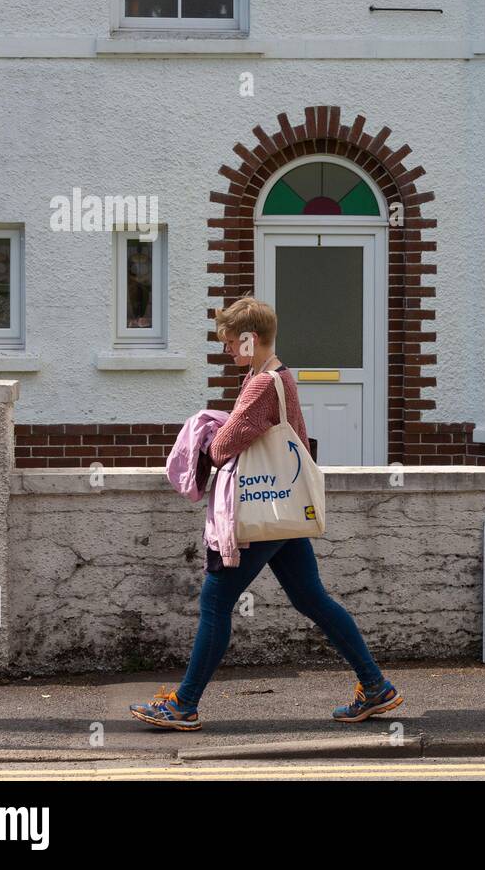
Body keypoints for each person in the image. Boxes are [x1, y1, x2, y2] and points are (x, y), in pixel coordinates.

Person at [130, 297, 402, 730]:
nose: (225, 351)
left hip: (262, 507)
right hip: (281, 505)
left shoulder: (260, 386)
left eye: (228, 343)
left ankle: (184, 705)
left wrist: (209, 428)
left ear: (249, 340)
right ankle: (375, 686)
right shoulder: (277, 377)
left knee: (215, 600)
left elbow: (221, 449)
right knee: (311, 599)